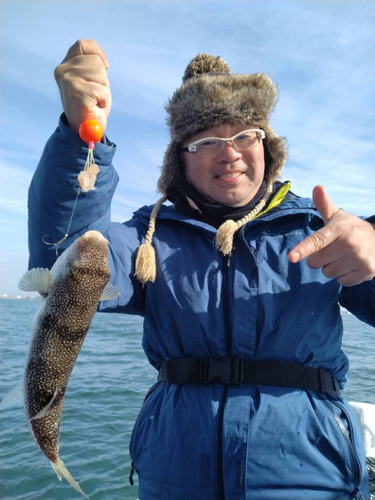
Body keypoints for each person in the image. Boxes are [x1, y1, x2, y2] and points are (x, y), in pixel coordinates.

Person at [28, 39, 375, 500]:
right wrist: (80, 139)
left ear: (266, 146)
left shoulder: (322, 229)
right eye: (207, 140)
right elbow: (64, 263)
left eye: (244, 136)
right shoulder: (147, 238)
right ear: (181, 159)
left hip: (310, 476)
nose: (229, 153)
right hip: (174, 476)